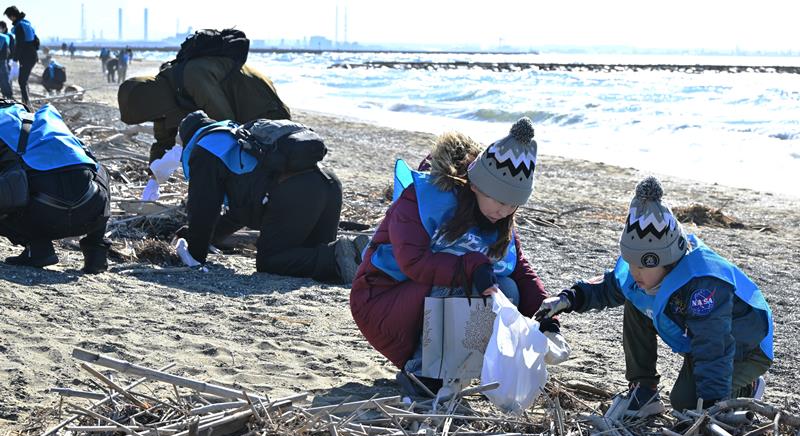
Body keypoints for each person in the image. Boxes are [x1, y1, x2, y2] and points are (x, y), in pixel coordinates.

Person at [350, 118, 561, 392]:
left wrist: (548, 320)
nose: (504, 211)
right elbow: (413, 263)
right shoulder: (423, 199)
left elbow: (519, 270)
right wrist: (471, 265)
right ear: (475, 185)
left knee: (506, 287)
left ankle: (458, 370)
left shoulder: (498, 218)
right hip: (384, 296)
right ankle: (423, 370)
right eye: (499, 200)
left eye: (513, 205)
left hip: (428, 300)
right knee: (470, 283)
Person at [537, 176, 774, 416]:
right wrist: (568, 298)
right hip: (700, 338)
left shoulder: (702, 288)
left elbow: (714, 348)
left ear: (668, 262)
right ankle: (644, 389)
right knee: (634, 299)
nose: (634, 272)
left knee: (687, 405)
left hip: (746, 348)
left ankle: (746, 388)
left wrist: (710, 408)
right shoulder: (640, 274)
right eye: (631, 264)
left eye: (642, 267)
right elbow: (609, 287)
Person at [173, 110, 366, 284]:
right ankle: (366, 256)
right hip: (329, 183)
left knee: (271, 261)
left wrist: (195, 253)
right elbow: (240, 211)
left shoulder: (206, 149)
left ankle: (341, 254)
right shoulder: (238, 139)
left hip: (298, 191)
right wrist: (208, 238)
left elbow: (203, 207)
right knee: (321, 257)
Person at [0, 99, 111, 273]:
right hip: (89, 214)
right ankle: (96, 251)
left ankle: (38, 247)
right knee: (99, 170)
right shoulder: (48, 123)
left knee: (18, 181)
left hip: (41, 217)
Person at [117, 55, 290, 165]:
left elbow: (226, 125)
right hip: (241, 109)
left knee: (276, 159)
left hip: (263, 106)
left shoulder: (193, 78)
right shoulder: (165, 93)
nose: (156, 117)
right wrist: (154, 174)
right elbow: (163, 139)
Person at [3, 6, 37, 107]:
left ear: (12, 16)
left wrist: (14, 60)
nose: (9, 20)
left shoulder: (19, 26)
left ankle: (27, 104)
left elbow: (20, 45)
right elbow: (36, 41)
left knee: (22, 81)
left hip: (27, 56)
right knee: (23, 80)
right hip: (31, 55)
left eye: (9, 17)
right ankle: (26, 101)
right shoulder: (26, 23)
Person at [0, 25, 10, 98]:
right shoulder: (5, 37)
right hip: (4, 60)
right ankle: (7, 95)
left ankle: (7, 95)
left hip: (2, 60)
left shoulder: (3, 37)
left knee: (4, 79)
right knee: (4, 79)